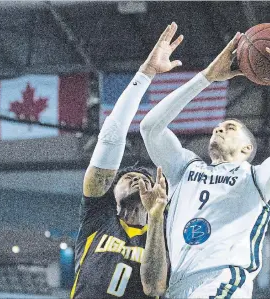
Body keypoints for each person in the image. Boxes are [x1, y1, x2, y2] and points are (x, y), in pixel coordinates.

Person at [140, 22, 270, 298]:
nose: (219, 128)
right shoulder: (186, 169)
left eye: (230, 127)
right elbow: (149, 128)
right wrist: (206, 77)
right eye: (218, 126)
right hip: (178, 284)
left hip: (223, 280)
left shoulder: (255, 178)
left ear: (247, 148)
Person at [70, 24, 183, 299]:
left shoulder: (165, 235)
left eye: (146, 179)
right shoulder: (97, 217)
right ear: (110, 191)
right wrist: (146, 73)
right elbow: (111, 136)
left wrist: (155, 219)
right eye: (127, 177)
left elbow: (155, 288)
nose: (138, 178)